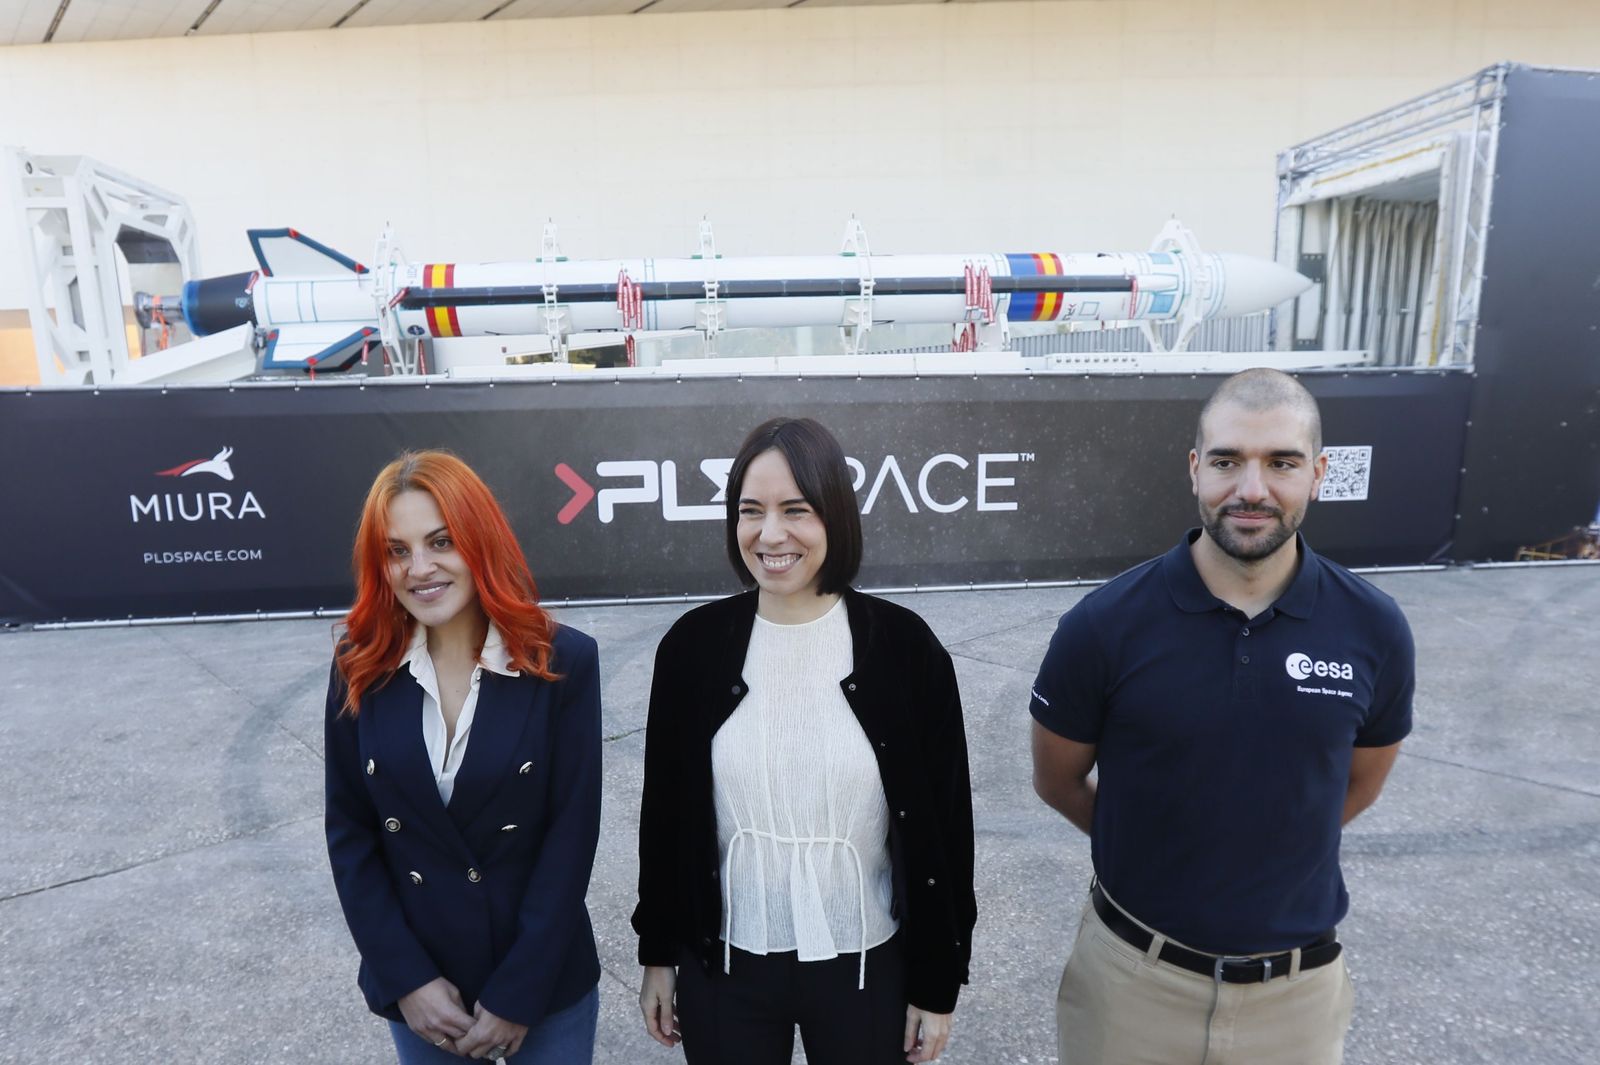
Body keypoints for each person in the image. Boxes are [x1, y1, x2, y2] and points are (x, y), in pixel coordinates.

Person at [1030, 368, 1414, 1065]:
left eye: (1282, 463)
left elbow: (1354, 787)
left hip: (1295, 1001)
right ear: (1194, 468)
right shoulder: (1104, 625)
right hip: (1131, 985)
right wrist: (1151, 841)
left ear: (1318, 473)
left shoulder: (1375, 628)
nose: (1252, 489)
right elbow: (1057, 780)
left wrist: (1261, 847)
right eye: (1228, 460)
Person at [633, 417, 976, 1065]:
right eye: (750, 511)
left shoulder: (906, 648)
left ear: (836, 516)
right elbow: (664, 817)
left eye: (796, 509)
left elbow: (945, 831)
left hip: (867, 963)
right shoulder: (692, 647)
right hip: (724, 964)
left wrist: (938, 981)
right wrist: (658, 953)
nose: (770, 534)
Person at [324, 450, 602, 1064]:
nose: (419, 568)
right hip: (426, 993)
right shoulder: (358, 665)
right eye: (397, 550)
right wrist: (406, 980)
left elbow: (570, 837)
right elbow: (351, 833)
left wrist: (518, 993)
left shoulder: (563, 663)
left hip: (541, 982)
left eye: (441, 542)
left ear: (479, 540)